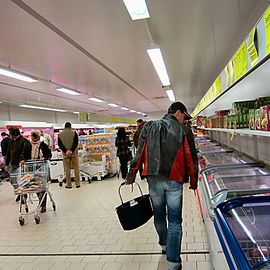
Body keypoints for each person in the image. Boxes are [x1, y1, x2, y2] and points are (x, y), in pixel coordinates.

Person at [126, 102, 198, 270]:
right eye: (184, 117)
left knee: (159, 215)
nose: (184, 120)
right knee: (174, 221)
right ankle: (173, 262)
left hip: (153, 179)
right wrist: (193, 181)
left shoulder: (149, 127)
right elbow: (191, 158)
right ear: (178, 112)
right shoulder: (184, 131)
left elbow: (139, 153)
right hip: (174, 180)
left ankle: (164, 245)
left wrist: (131, 175)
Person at [4, 127, 32, 202]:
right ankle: (20, 193)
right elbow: (8, 154)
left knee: (22, 181)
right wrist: (6, 164)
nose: (9, 135)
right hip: (13, 164)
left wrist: (23, 160)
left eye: (10, 134)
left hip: (22, 165)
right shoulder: (11, 142)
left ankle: (23, 195)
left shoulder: (24, 141)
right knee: (12, 181)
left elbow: (27, 153)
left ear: (15, 134)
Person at [29, 130, 52, 213]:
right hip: (31, 168)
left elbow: (49, 155)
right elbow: (24, 154)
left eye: (35, 137)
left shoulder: (43, 145)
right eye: (33, 137)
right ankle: (41, 200)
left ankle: (43, 204)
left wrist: (45, 158)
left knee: (42, 187)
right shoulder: (28, 145)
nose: (33, 139)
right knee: (34, 186)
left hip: (41, 168)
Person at [58, 122, 80, 188]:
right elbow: (76, 142)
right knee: (76, 168)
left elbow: (60, 144)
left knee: (67, 169)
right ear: (70, 126)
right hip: (74, 154)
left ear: (65, 126)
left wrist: (66, 151)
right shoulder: (74, 133)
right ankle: (77, 184)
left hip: (65, 154)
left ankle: (68, 184)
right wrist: (71, 150)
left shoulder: (60, 134)